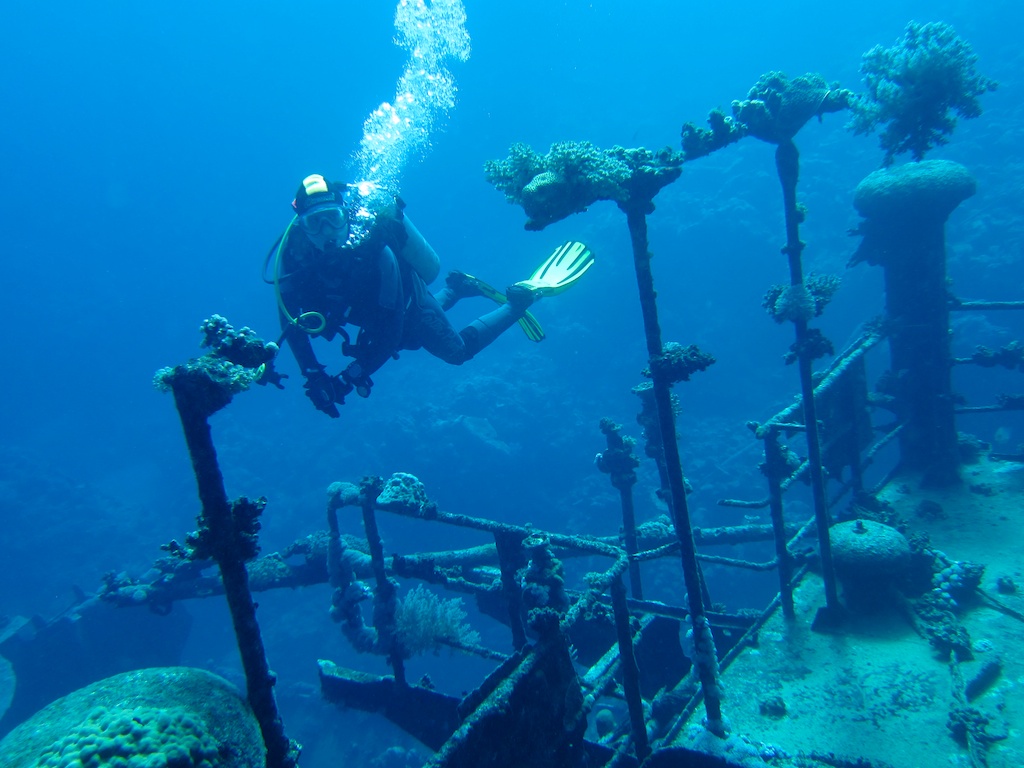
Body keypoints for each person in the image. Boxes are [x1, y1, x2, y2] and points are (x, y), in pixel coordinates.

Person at [267, 174, 593, 417]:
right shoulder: (294, 259)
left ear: (347, 217)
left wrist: (346, 379)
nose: (327, 233)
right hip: (374, 316)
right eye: (315, 223)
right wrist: (313, 375)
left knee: (455, 351)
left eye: (333, 220)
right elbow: (290, 322)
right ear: (301, 227)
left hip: (406, 304)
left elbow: (393, 330)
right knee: (411, 337)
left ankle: (521, 299)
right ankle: (457, 288)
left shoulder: (375, 250)